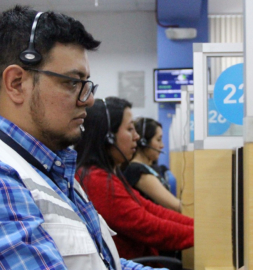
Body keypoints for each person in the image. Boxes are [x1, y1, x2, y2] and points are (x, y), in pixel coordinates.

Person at [0, 6, 165, 270]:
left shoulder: (45, 168)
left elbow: (103, 264)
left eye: (87, 84)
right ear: (17, 84)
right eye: (71, 83)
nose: (88, 99)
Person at [75, 97, 194, 260]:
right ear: (108, 137)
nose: (136, 136)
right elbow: (151, 227)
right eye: (130, 129)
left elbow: (150, 209)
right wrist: (202, 233)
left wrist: (198, 227)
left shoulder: (105, 175)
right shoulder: (97, 181)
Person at [123, 118, 181, 212]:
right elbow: (174, 205)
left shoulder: (148, 167)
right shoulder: (136, 170)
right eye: (158, 140)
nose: (162, 145)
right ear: (144, 142)